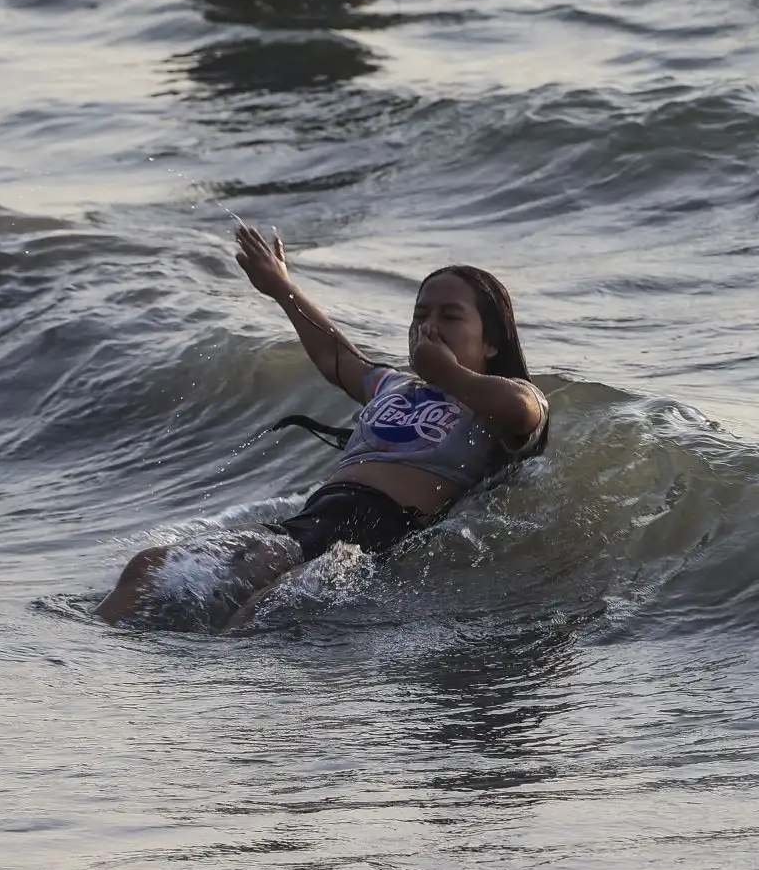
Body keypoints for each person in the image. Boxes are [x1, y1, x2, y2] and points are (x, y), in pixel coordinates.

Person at [94, 223, 549, 627]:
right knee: (148, 567)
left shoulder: (499, 402)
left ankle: (219, 687)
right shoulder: (394, 386)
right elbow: (338, 359)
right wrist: (281, 287)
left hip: (378, 540)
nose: (429, 327)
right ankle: (93, 662)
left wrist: (446, 373)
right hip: (310, 524)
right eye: (420, 315)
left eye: (449, 316)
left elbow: (526, 409)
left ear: (492, 343)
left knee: (257, 612)